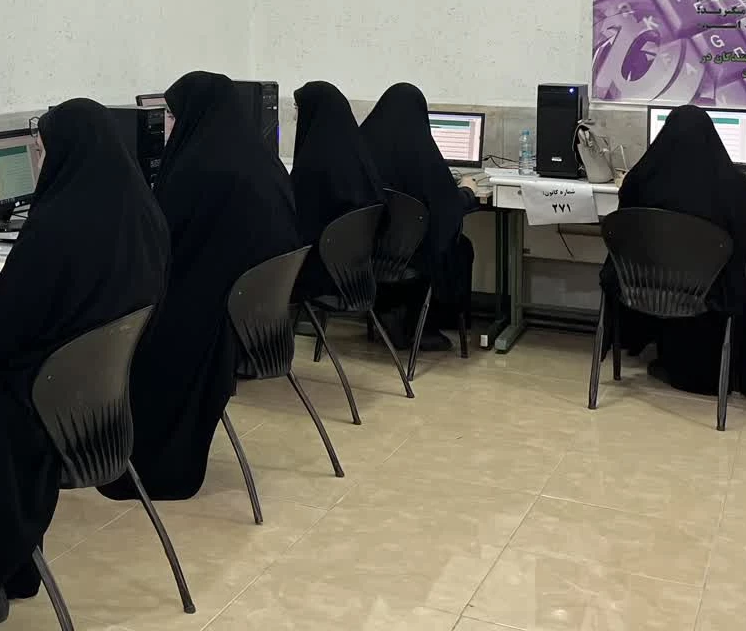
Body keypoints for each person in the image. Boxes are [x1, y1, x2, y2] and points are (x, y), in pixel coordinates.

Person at [0, 98, 168, 631]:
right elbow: (43, 302)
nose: (36, 161)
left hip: (36, 409)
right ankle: (13, 568)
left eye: (39, 150)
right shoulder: (140, 211)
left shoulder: (58, 225)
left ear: (62, 154)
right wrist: (9, 290)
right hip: (91, 404)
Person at [99, 71, 302, 502]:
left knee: (112, 325)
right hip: (249, 320)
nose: (167, 127)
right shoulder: (253, 157)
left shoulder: (199, 169)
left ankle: (113, 456)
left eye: (171, 116)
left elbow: (160, 246)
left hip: (206, 322)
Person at [606, 104, 746, 396]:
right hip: (709, 294)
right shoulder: (734, 186)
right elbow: (743, 246)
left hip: (645, 287)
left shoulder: (640, 179)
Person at [358, 82, 479, 351]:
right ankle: (423, 326)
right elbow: (447, 206)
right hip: (410, 257)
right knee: (460, 247)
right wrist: (468, 192)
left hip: (365, 255)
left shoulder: (361, 146)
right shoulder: (421, 153)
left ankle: (390, 313)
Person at [289, 80, 387, 299]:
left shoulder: (313, 164)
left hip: (319, 273)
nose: (295, 117)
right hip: (355, 273)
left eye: (297, 108)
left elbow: (296, 224)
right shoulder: (356, 153)